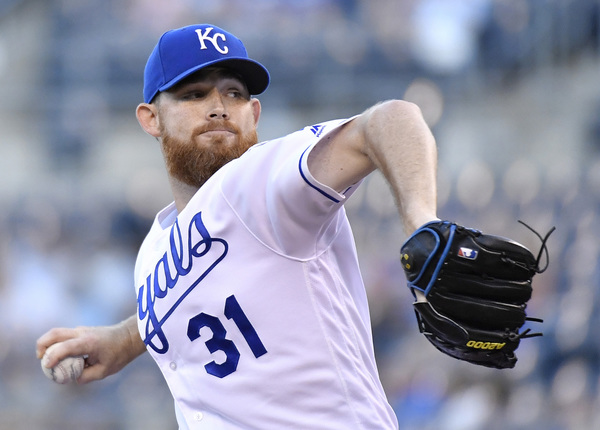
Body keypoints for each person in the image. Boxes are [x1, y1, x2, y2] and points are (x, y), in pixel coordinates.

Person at [36, 24, 438, 429]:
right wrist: (125, 339)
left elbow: (391, 120)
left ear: (255, 113)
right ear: (151, 119)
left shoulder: (263, 181)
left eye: (234, 93)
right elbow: (202, 287)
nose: (219, 107)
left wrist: (424, 225)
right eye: (194, 94)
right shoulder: (154, 248)